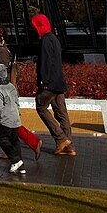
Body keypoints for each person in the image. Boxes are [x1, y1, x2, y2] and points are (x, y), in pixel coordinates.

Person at [0, 25, 42, 159]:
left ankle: (32, 142)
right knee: (9, 122)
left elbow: (4, 72)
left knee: (7, 122)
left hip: (4, 90)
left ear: (2, 37)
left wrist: (0, 89)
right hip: (3, 89)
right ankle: (14, 149)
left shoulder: (1, 51)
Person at [31, 13, 75, 156]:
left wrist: (43, 82)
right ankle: (68, 146)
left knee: (41, 107)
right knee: (62, 113)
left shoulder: (44, 40)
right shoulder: (54, 39)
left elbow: (46, 63)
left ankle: (61, 138)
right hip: (59, 82)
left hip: (49, 84)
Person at [0, 63, 26, 174]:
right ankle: (21, 166)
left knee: (2, 139)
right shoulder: (11, 86)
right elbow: (17, 102)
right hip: (15, 118)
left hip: (6, 119)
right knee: (15, 141)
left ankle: (15, 160)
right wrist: (18, 114)